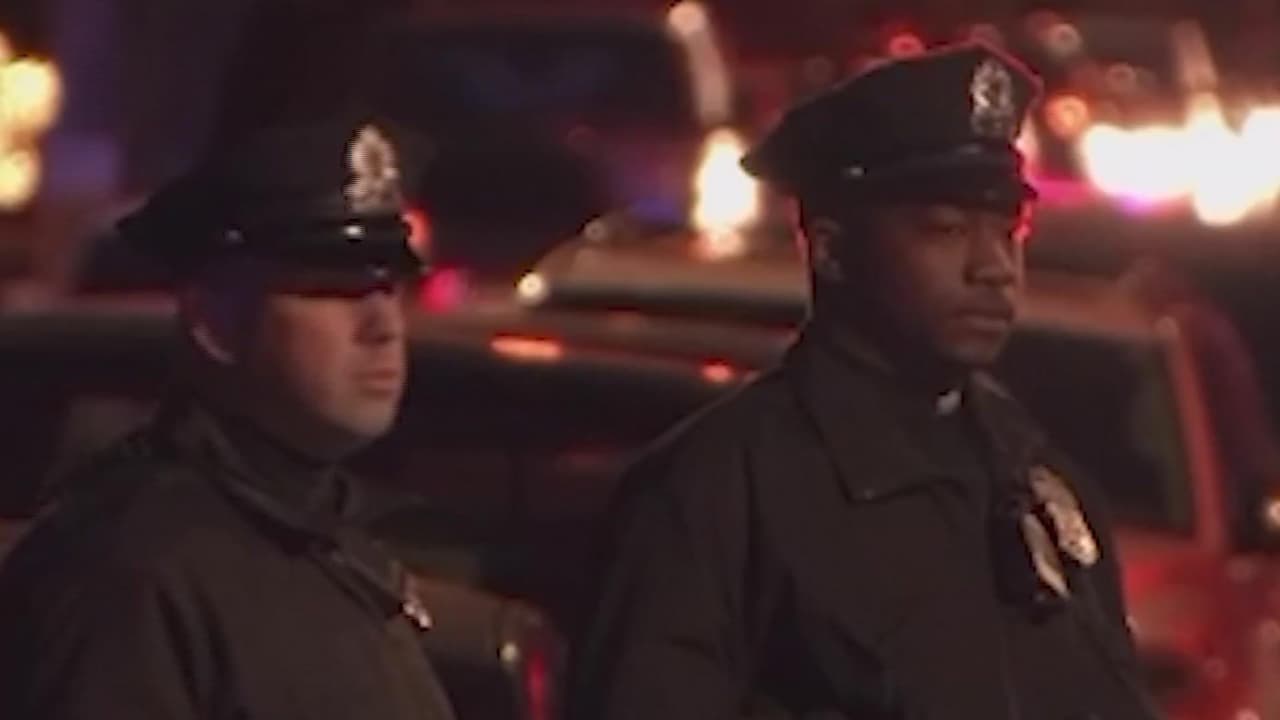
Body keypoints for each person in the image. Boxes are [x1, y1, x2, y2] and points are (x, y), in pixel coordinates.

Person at [570, 42, 1161, 719]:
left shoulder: (1040, 489)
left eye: (1007, 233)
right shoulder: (719, 494)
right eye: (946, 230)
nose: (993, 268)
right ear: (830, 248)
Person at [0, 111, 457, 720]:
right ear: (215, 322)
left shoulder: (327, 542)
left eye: (389, 288)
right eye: (332, 288)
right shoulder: (134, 570)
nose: (382, 326)